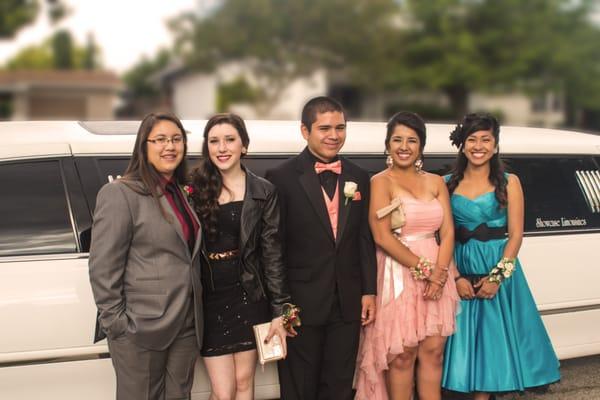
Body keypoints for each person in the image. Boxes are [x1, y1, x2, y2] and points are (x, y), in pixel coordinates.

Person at [441, 113, 560, 399]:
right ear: (463, 145)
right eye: (472, 139)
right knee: (458, 352)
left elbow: (516, 236)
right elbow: (442, 236)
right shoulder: (445, 184)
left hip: (499, 271)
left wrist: (497, 277)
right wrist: (455, 277)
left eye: (485, 139)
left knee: (494, 351)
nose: (478, 146)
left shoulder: (510, 182)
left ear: (495, 145)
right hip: (460, 269)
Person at [265, 96, 377, 400]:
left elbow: (363, 239)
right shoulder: (280, 177)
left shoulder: (359, 177)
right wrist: (282, 304)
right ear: (305, 131)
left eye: (340, 127)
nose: (334, 135)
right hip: (300, 304)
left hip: (348, 301)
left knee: (340, 386)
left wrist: (369, 291)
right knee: (300, 387)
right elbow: (273, 246)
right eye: (324, 128)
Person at [89, 112, 203, 400]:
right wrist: (118, 326)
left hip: (186, 324)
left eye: (177, 139)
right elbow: (103, 267)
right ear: (144, 145)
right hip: (140, 328)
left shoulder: (181, 192)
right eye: (160, 139)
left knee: (180, 396)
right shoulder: (120, 194)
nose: (170, 146)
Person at [355, 111, 460, 400]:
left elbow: (448, 233)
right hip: (398, 274)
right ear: (387, 145)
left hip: (439, 272)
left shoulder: (436, 182)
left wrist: (440, 276)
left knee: (434, 352)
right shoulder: (380, 182)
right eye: (397, 139)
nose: (404, 146)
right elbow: (381, 236)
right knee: (401, 355)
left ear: (421, 146)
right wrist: (427, 271)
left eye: (412, 140)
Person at [189, 113, 294, 400]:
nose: (222, 148)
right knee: (224, 391)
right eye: (214, 141)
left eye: (229, 140)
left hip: (249, 294)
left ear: (244, 146)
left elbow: (272, 254)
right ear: (206, 148)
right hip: (209, 299)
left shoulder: (263, 191)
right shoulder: (192, 189)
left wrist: (279, 312)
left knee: (245, 381)